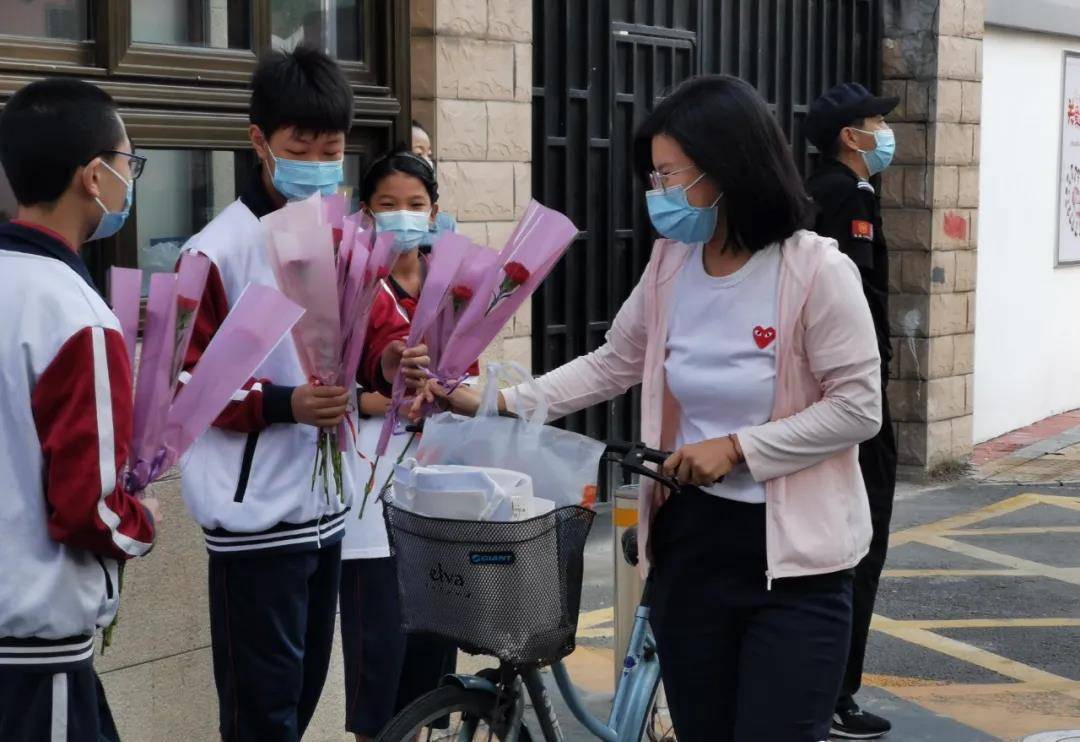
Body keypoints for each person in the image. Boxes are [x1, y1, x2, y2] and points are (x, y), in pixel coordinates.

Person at [420, 74, 882, 742]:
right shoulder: (673, 261)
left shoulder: (815, 271)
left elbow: (859, 408)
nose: (658, 193)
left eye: (671, 175)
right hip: (690, 547)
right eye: (655, 176)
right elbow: (614, 362)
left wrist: (739, 448)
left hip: (796, 571)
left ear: (728, 166)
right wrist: (496, 402)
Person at [177, 46, 426, 742]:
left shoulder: (339, 232)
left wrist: (394, 358)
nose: (318, 163)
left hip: (327, 512)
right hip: (253, 521)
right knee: (262, 716)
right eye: (300, 146)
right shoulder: (215, 250)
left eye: (331, 149)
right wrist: (284, 404)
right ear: (259, 141)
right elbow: (186, 386)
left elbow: (375, 332)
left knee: (302, 698)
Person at [0, 78, 157, 741]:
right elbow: (87, 508)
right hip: (36, 651)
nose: (130, 176)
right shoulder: (75, 314)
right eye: (128, 162)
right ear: (95, 177)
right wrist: (142, 526)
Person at [342, 149, 476, 740]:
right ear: (365, 214)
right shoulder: (352, 288)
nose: (402, 216)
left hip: (438, 475)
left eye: (415, 205)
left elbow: (467, 371)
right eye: (387, 206)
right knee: (380, 643)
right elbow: (338, 382)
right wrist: (384, 397)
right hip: (370, 480)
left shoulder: (458, 288)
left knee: (430, 643)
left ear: (436, 212)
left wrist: (457, 393)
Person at [805, 81, 900, 740]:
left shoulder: (810, 192)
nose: (886, 135)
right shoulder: (848, 196)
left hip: (820, 392)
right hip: (852, 399)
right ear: (851, 136)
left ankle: (822, 690)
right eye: (875, 124)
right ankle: (837, 696)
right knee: (861, 545)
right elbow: (860, 300)